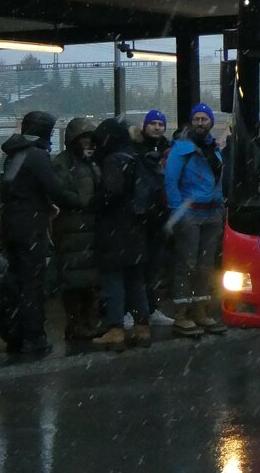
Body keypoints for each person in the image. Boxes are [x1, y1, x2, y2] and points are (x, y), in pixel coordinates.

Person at [0, 110, 79, 355]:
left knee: (14, 280)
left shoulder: (14, 154)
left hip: (10, 225)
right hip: (30, 227)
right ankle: (34, 336)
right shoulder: (38, 156)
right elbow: (54, 189)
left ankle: (13, 334)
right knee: (32, 283)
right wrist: (79, 201)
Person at [164, 103, 226, 338]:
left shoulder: (213, 148)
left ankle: (200, 311)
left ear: (210, 122)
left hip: (211, 213)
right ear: (192, 122)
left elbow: (218, 181)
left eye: (204, 119)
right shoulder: (181, 149)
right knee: (187, 264)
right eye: (197, 119)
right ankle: (182, 314)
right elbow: (171, 182)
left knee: (205, 265)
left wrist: (220, 207)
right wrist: (179, 211)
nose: (201, 123)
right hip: (191, 214)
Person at [90, 118, 150, 350]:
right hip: (135, 228)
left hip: (115, 230)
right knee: (136, 281)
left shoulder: (112, 159)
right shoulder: (133, 157)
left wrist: (94, 202)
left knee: (113, 280)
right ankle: (142, 328)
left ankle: (115, 330)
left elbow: (111, 193)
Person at [51, 117, 102, 341]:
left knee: (89, 281)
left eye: (90, 139)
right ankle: (75, 323)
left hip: (89, 229)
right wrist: (84, 203)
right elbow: (60, 192)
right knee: (73, 282)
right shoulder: (62, 163)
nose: (86, 142)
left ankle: (87, 320)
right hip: (72, 229)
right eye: (82, 138)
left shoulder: (92, 162)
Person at [132, 110, 174, 327]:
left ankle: (150, 308)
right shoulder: (136, 151)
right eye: (153, 123)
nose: (157, 127)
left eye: (160, 124)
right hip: (142, 216)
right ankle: (136, 310)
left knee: (153, 266)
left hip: (158, 216)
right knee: (139, 266)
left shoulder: (168, 150)